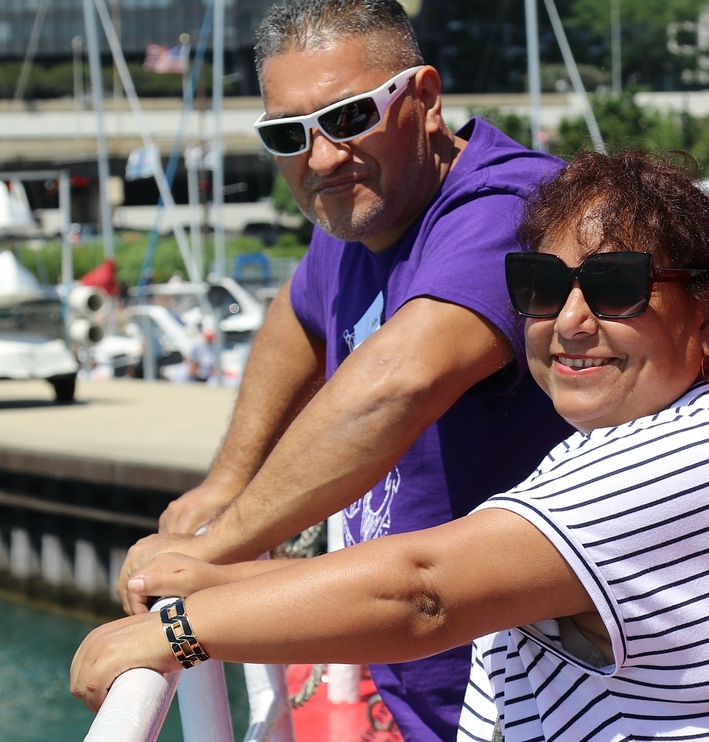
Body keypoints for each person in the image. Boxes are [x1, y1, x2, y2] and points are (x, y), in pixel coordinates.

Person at [73, 149, 709, 741]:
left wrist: (175, 630)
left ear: (708, 315)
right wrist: (220, 577)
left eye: (615, 287)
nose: (570, 320)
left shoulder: (664, 465)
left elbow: (423, 592)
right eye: (541, 285)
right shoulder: (685, 428)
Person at [113, 1, 571, 739]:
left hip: (531, 704)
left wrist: (214, 551)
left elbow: (400, 382)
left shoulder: (508, 208)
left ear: (423, 99)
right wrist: (227, 481)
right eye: (289, 134)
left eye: (351, 116)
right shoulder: (360, 216)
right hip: (423, 689)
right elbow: (297, 316)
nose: (322, 157)